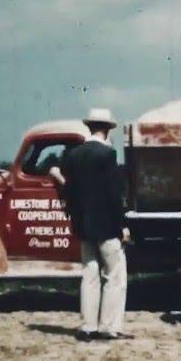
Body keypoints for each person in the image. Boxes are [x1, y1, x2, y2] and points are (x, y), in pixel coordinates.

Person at [61, 108, 132, 342]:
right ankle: (108, 326)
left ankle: (87, 325)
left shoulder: (73, 155)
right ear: (108, 129)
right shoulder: (107, 155)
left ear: (89, 127)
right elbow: (114, 195)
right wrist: (121, 224)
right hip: (106, 225)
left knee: (89, 274)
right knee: (115, 275)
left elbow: (69, 192)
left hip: (83, 224)